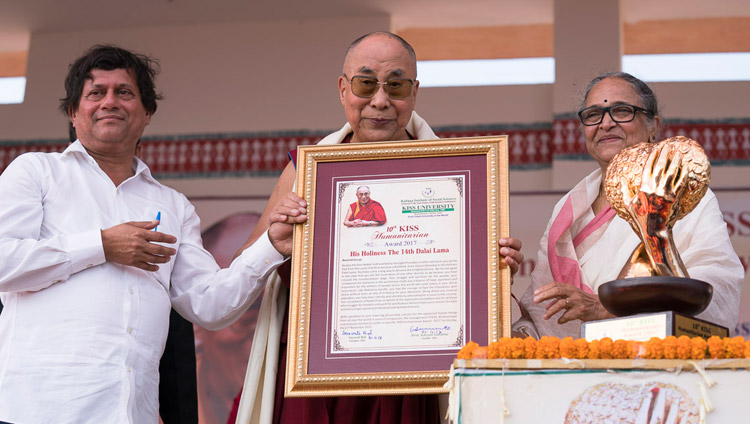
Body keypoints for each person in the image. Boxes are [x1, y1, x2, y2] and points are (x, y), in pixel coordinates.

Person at [0, 45, 305, 423]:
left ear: (146, 114)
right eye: (96, 92)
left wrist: (272, 245)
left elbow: (209, 306)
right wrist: (102, 245)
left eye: (124, 93)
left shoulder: (172, 204)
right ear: (73, 114)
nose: (109, 101)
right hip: (38, 410)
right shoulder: (35, 172)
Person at [232, 32, 524, 424]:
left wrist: (496, 271)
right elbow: (240, 270)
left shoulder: (454, 174)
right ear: (343, 89)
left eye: (396, 85)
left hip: (410, 375)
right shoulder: (306, 171)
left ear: (414, 93)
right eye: (366, 83)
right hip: (316, 370)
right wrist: (275, 240)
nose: (381, 100)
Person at [511, 72, 744, 339]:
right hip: (571, 373)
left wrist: (604, 309)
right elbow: (541, 318)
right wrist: (493, 281)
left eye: (622, 111)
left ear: (653, 125)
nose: (606, 123)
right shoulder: (568, 209)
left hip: (653, 369)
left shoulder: (680, 195)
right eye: (593, 114)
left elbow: (716, 289)